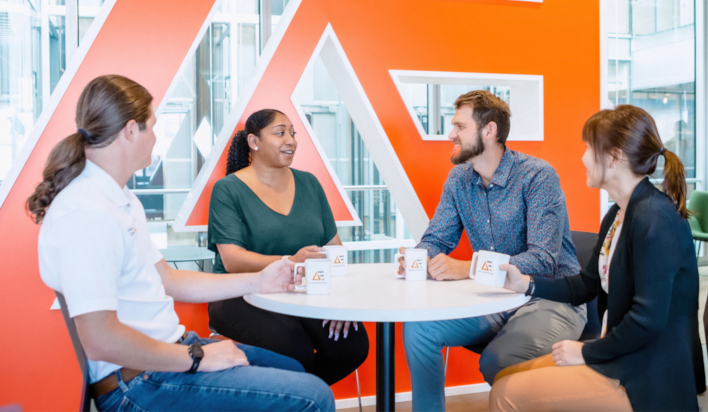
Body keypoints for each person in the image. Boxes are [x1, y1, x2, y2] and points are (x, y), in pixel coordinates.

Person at [30, 75, 335, 412]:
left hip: (166, 355)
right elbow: (100, 339)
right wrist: (197, 357)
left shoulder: (120, 200)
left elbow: (169, 280)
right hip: (137, 382)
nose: (156, 137)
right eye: (152, 126)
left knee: (292, 368)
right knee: (314, 396)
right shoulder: (86, 212)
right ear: (131, 131)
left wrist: (259, 281)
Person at [491, 105, 705, 411]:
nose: (583, 158)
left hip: (647, 376)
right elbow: (585, 285)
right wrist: (526, 283)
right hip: (621, 357)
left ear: (615, 157)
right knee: (504, 376)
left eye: (589, 149)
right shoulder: (618, 214)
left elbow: (647, 321)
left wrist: (586, 353)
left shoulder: (656, 219)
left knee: (505, 393)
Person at [399, 90, 587, 411]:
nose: (451, 134)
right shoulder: (459, 179)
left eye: (460, 126)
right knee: (420, 328)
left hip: (550, 298)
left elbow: (541, 260)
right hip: (494, 299)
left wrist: (469, 268)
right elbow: (437, 239)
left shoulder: (537, 175)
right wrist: (417, 258)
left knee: (496, 360)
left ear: (489, 131)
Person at [206, 109, 369, 385]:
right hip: (239, 292)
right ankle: (295, 397)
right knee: (294, 352)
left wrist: (341, 302)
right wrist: (290, 261)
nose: (290, 140)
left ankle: (296, 397)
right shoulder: (227, 189)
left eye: (293, 133)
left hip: (302, 290)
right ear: (254, 142)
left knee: (350, 346)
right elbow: (232, 260)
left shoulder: (309, 183)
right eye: (280, 133)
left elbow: (334, 249)